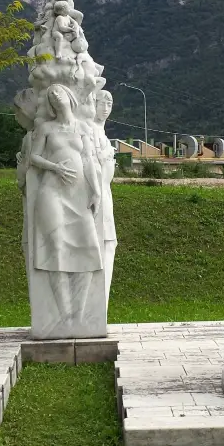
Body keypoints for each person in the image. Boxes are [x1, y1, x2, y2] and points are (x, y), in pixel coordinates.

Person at [29, 83, 102, 323]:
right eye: (51, 94)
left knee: (87, 247)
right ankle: (62, 315)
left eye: (59, 91)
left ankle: (79, 315)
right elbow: (34, 157)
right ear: (49, 103)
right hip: (52, 191)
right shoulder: (46, 128)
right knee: (56, 249)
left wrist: (96, 191)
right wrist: (55, 167)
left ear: (69, 96)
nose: (56, 95)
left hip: (79, 193)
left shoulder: (83, 127)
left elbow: (89, 160)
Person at [92, 90, 117, 299]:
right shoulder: (91, 131)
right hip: (96, 193)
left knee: (109, 243)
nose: (106, 106)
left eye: (110, 103)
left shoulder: (101, 132)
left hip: (105, 191)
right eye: (103, 102)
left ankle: (101, 301)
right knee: (104, 244)